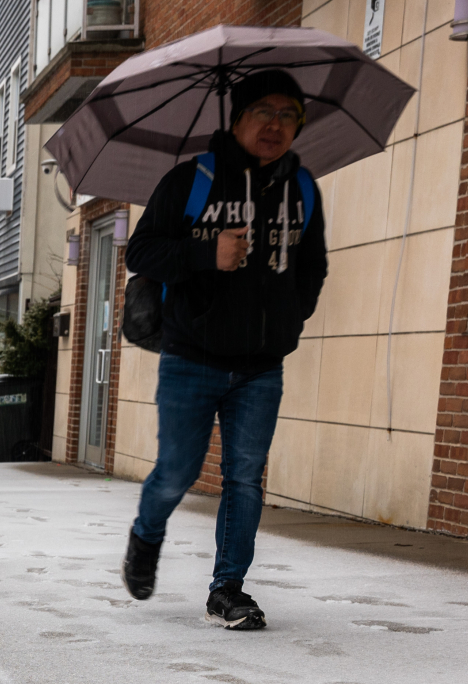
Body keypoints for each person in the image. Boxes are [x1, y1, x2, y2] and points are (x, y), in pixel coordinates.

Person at [121, 70, 328, 630]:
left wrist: (289, 319)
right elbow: (140, 252)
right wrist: (204, 252)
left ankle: (227, 588)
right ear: (236, 119)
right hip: (192, 358)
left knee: (244, 477)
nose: (276, 124)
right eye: (264, 111)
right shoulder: (191, 181)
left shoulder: (302, 188)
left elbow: (313, 267)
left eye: (289, 114)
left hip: (262, 367)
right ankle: (146, 537)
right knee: (177, 473)